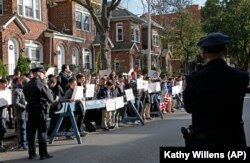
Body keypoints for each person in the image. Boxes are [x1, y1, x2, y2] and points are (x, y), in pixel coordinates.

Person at [183, 32, 249, 147]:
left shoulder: (194, 78)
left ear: (204, 55)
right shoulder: (241, 76)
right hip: (234, 139)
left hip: (204, 141)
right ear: (226, 51)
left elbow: (188, 108)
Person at [23, 67, 54, 160]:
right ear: (38, 73)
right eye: (43, 73)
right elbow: (50, 99)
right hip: (40, 111)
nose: (44, 75)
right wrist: (46, 86)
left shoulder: (27, 85)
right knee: (42, 132)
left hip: (30, 110)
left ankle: (31, 153)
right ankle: (43, 153)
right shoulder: (40, 84)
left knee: (31, 133)